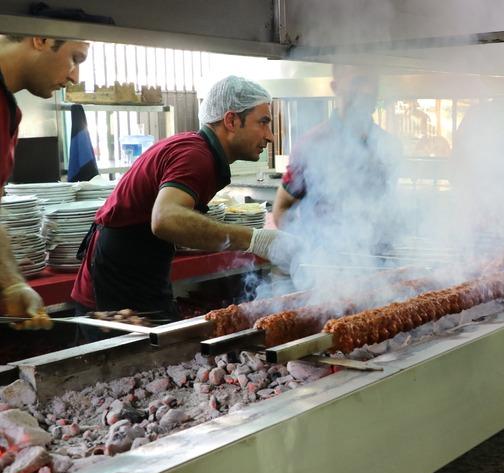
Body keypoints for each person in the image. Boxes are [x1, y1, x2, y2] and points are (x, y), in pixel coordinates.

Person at [71, 76, 298, 320]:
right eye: (263, 122)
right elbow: (165, 218)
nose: (270, 136)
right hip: (114, 289)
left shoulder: (196, 149)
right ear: (231, 120)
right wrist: (256, 240)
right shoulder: (195, 156)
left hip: (135, 274)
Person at [0, 34, 90, 328]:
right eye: (75, 58)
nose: (75, 77)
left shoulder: (9, 112)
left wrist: (12, 283)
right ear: (41, 38)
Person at [271, 64, 402, 247]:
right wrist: (307, 249)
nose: (367, 90)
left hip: (378, 257)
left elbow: (388, 206)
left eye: (373, 83)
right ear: (336, 87)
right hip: (328, 259)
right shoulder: (311, 145)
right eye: (358, 81)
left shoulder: (389, 145)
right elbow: (283, 207)